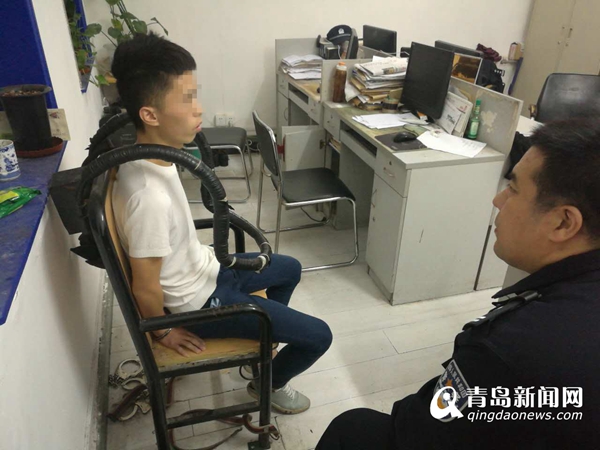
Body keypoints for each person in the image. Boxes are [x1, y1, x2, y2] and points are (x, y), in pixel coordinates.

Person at [316, 117, 600, 449]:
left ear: (563, 223)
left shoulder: (511, 350)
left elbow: (421, 430)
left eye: (513, 188)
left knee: (352, 426)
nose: (498, 200)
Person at [110, 33, 332, 415]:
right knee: (319, 336)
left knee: (289, 268)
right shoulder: (148, 197)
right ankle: (267, 383)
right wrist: (164, 331)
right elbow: (144, 286)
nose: (199, 109)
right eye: (186, 99)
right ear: (150, 115)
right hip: (201, 303)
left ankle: (261, 346)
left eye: (195, 95)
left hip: (209, 270)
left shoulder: (152, 155)